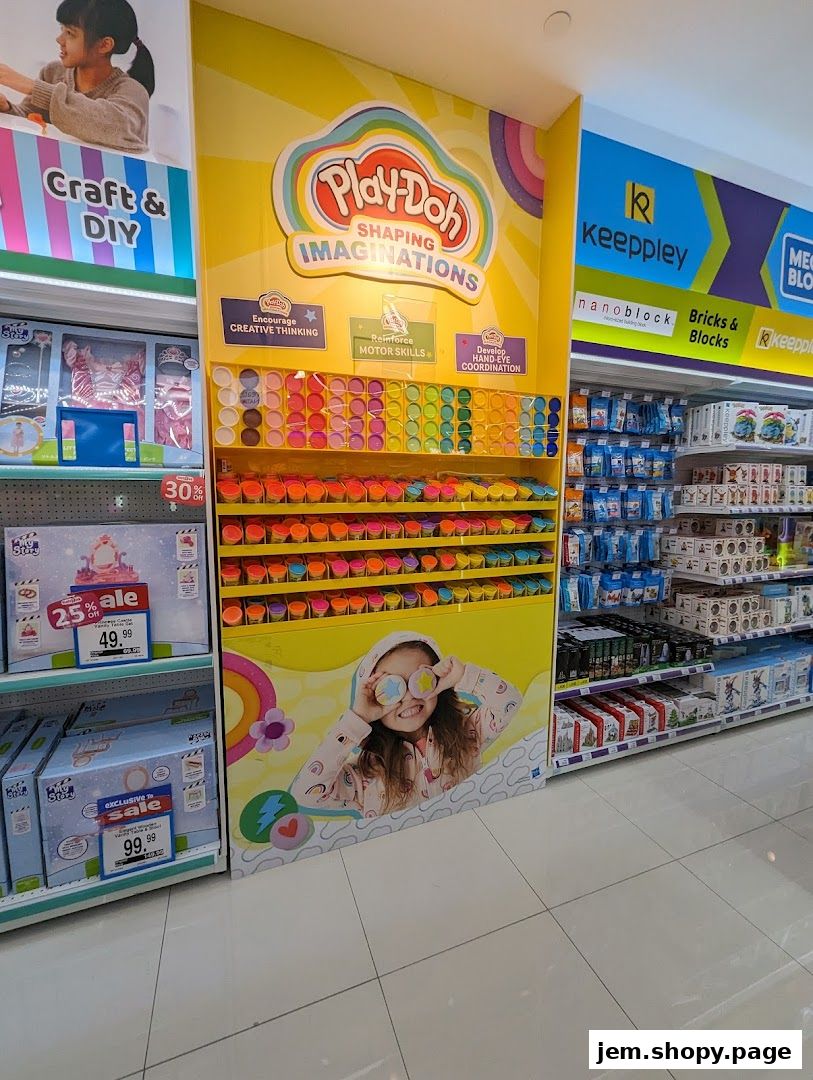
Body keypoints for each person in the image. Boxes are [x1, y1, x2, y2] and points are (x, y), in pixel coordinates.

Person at [290, 631, 522, 818]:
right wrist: (357, 719)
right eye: (390, 689)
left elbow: (510, 701)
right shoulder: (367, 773)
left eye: (420, 681)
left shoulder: (466, 734)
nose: (408, 697)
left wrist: (462, 677)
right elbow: (306, 794)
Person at [0, 0, 154, 154]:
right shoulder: (53, 73)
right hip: (55, 173)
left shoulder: (133, 91)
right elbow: (31, 119)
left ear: (104, 45)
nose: (59, 40)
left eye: (70, 33)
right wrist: (7, 108)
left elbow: (115, 126)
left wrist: (32, 87)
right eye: (62, 29)